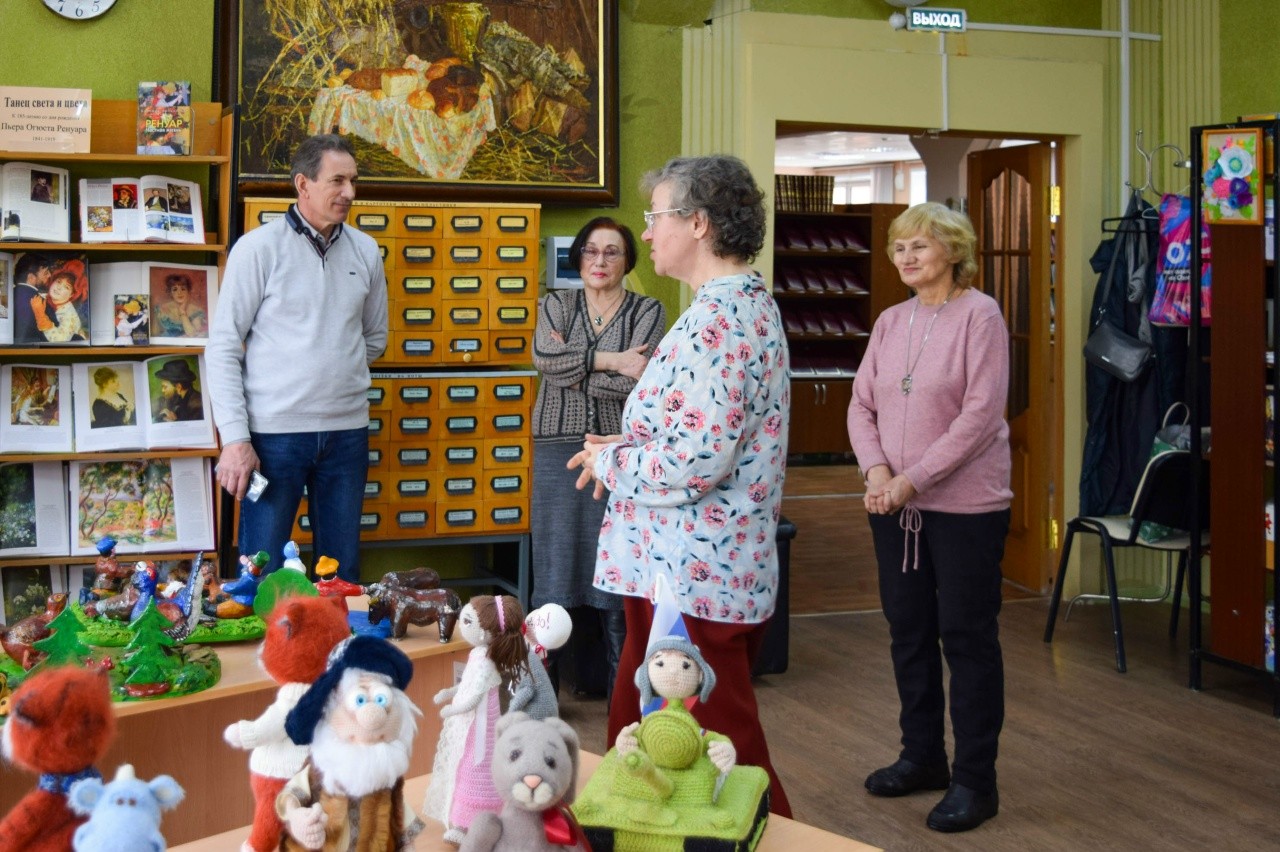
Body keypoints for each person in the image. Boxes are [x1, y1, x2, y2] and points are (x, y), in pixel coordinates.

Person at [567, 155, 793, 817]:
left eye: (656, 216)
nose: (647, 231)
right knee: (658, 744)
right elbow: (696, 435)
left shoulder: (720, 321)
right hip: (685, 566)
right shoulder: (733, 306)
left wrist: (611, 464)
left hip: (692, 575)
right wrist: (625, 447)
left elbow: (693, 464)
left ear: (697, 224)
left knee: (723, 757)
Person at [845, 201, 1012, 834]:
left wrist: (911, 479)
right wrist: (877, 473)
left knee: (967, 640)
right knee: (908, 632)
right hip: (892, 505)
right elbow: (861, 405)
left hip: (965, 510)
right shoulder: (890, 321)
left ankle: (975, 781)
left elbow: (980, 416)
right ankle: (922, 757)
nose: (906, 257)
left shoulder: (981, 315)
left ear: (953, 249)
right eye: (899, 247)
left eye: (920, 245)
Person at [206, 133, 388, 583]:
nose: (350, 192)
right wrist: (235, 438)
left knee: (341, 575)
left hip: (347, 435)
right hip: (274, 438)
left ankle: (338, 636)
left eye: (353, 181)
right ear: (303, 184)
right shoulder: (257, 249)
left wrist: (334, 371)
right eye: (338, 181)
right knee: (262, 571)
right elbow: (223, 346)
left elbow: (374, 337)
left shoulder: (365, 251)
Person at [531, 216, 666, 703]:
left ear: (628, 260)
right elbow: (545, 360)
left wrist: (574, 368)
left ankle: (621, 696)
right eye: (590, 250)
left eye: (612, 251)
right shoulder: (555, 304)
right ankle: (543, 698)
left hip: (619, 449)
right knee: (554, 567)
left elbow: (643, 381)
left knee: (618, 566)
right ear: (577, 258)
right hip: (556, 451)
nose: (600, 260)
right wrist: (612, 361)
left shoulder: (648, 310)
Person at [32, 268, 89, 343]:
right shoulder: (41, 297)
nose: (59, 287)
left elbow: (59, 340)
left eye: (66, 287)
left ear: (72, 295)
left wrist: (41, 316)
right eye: (58, 282)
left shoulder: (70, 316)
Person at [12, 253, 52, 344]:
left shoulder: (9, 296)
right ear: (31, 277)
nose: (49, 275)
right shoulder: (41, 302)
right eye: (46, 273)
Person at [155, 272, 207, 338]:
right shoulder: (161, 309)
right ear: (170, 293)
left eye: (183, 289)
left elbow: (192, 334)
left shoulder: (196, 310)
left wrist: (182, 311)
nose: (179, 293)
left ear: (188, 291)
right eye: (175, 289)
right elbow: (155, 334)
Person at [152, 358, 204, 422]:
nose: (162, 390)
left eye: (165, 387)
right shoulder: (178, 398)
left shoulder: (197, 405)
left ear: (179, 387)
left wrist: (175, 421)